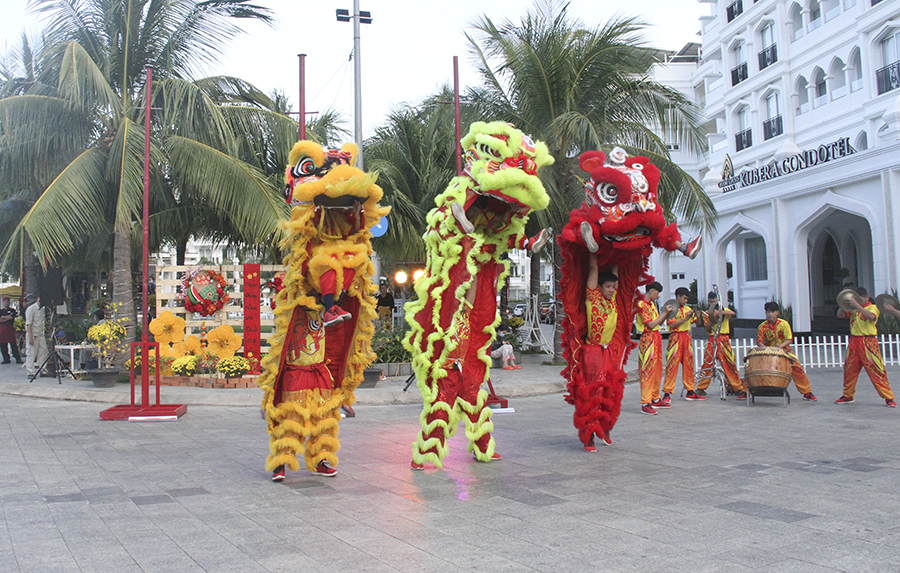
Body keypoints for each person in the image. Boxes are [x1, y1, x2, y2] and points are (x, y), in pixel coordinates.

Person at [573, 260, 621, 452]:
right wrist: (593, 250)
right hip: (592, 353)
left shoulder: (613, 300)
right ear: (599, 287)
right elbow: (593, 267)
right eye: (607, 286)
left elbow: (616, 270)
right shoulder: (592, 298)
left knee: (611, 391)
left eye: (613, 286)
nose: (611, 289)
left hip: (608, 352)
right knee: (593, 394)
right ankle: (589, 435)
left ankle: (605, 427)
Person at [835, 288, 896, 407]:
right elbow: (840, 315)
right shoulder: (853, 309)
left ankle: (888, 397)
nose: (858, 300)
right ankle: (848, 395)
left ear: (866, 297)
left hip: (868, 342)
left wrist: (856, 305)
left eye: (860, 298)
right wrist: (844, 304)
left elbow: (871, 317)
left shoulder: (872, 307)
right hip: (854, 342)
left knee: (877, 370)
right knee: (849, 370)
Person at [756, 301, 817, 401]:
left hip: (784, 351)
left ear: (777, 313)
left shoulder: (784, 324)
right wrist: (768, 350)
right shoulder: (762, 327)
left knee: (797, 369)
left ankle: (807, 392)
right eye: (768, 312)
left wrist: (780, 347)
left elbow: (789, 339)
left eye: (772, 312)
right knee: (754, 368)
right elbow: (759, 342)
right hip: (768, 352)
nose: (770, 314)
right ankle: (746, 391)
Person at [696, 291, 746, 400]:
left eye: (715, 301)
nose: (713, 303)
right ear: (708, 302)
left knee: (729, 363)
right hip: (713, 338)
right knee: (707, 363)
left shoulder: (724, 310)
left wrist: (719, 313)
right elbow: (706, 328)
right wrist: (713, 320)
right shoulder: (706, 313)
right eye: (711, 302)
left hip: (724, 339)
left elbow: (732, 313)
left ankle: (737, 387)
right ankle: (701, 387)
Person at [635, 282, 672, 414]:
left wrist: (665, 314)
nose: (657, 295)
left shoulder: (651, 305)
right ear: (651, 291)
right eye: (657, 292)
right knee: (647, 370)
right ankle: (645, 402)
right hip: (648, 338)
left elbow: (659, 322)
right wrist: (664, 313)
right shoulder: (642, 305)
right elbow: (650, 324)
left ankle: (655, 398)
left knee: (656, 370)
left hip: (656, 337)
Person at [664, 287, 701, 401]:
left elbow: (697, 323)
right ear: (678, 297)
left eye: (687, 299)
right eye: (684, 298)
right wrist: (686, 319)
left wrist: (698, 316)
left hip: (686, 337)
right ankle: (667, 393)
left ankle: (690, 391)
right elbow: (671, 325)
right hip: (676, 338)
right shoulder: (671, 309)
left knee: (689, 364)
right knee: (672, 366)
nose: (685, 301)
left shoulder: (687, 309)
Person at [25, 297, 49, 376]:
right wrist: (30, 337)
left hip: (40, 333)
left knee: (43, 351)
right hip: (33, 334)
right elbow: (29, 324)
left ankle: (43, 369)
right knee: (31, 353)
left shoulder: (43, 309)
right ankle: (30, 372)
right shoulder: (31, 309)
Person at [0, 296, 23, 364]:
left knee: (13, 344)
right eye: (4, 302)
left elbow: (11, 317)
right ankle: (6, 358)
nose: (6, 303)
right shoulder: (1, 311)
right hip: (2, 330)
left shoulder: (12, 310)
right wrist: (7, 318)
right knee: (3, 345)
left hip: (10, 329)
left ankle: (17, 358)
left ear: (9, 302)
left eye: (7, 302)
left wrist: (4, 317)